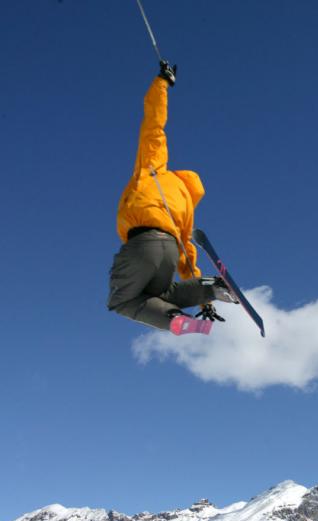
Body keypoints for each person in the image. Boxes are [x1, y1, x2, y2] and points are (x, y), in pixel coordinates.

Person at [107, 61, 235, 336]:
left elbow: (154, 126)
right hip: (170, 249)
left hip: (143, 243)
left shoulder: (155, 169)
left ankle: (174, 320)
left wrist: (162, 83)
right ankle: (214, 287)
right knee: (161, 293)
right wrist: (205, 297)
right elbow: (188, 260)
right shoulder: (184, 209)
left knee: (122, 300)